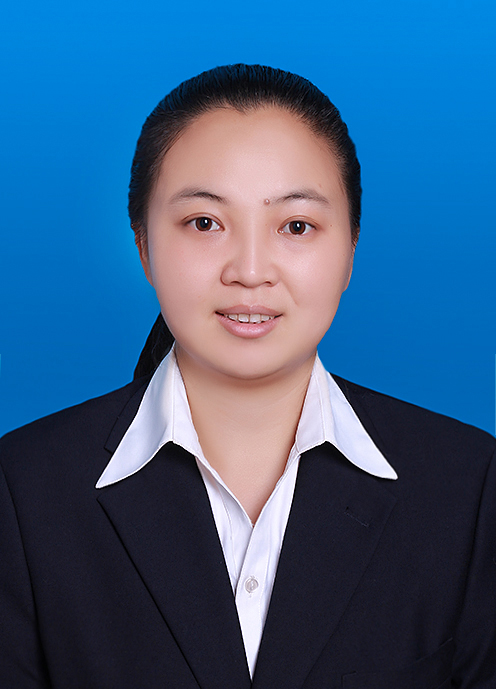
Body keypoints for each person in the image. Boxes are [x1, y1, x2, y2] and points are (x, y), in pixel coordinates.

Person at [0, 64, 494, 689]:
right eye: (205, 223)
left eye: (296, 226)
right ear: (143, 245)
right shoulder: (22, 490)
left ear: (350, 248)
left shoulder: (468, 486)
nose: (251, 270)